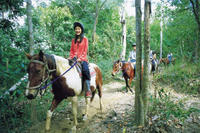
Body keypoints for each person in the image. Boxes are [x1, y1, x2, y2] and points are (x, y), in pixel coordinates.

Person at [69, 22, 91, 98]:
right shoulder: (73, 40)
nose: (77, 30)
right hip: (73, 58)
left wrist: (80, 59)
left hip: (82, 59)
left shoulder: (85, 39)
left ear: (81, 30)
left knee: (85, 70)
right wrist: (71, 57)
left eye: (78, 29)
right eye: (76, 29)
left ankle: (88, 90)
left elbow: (85, 51)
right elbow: (71, 50)